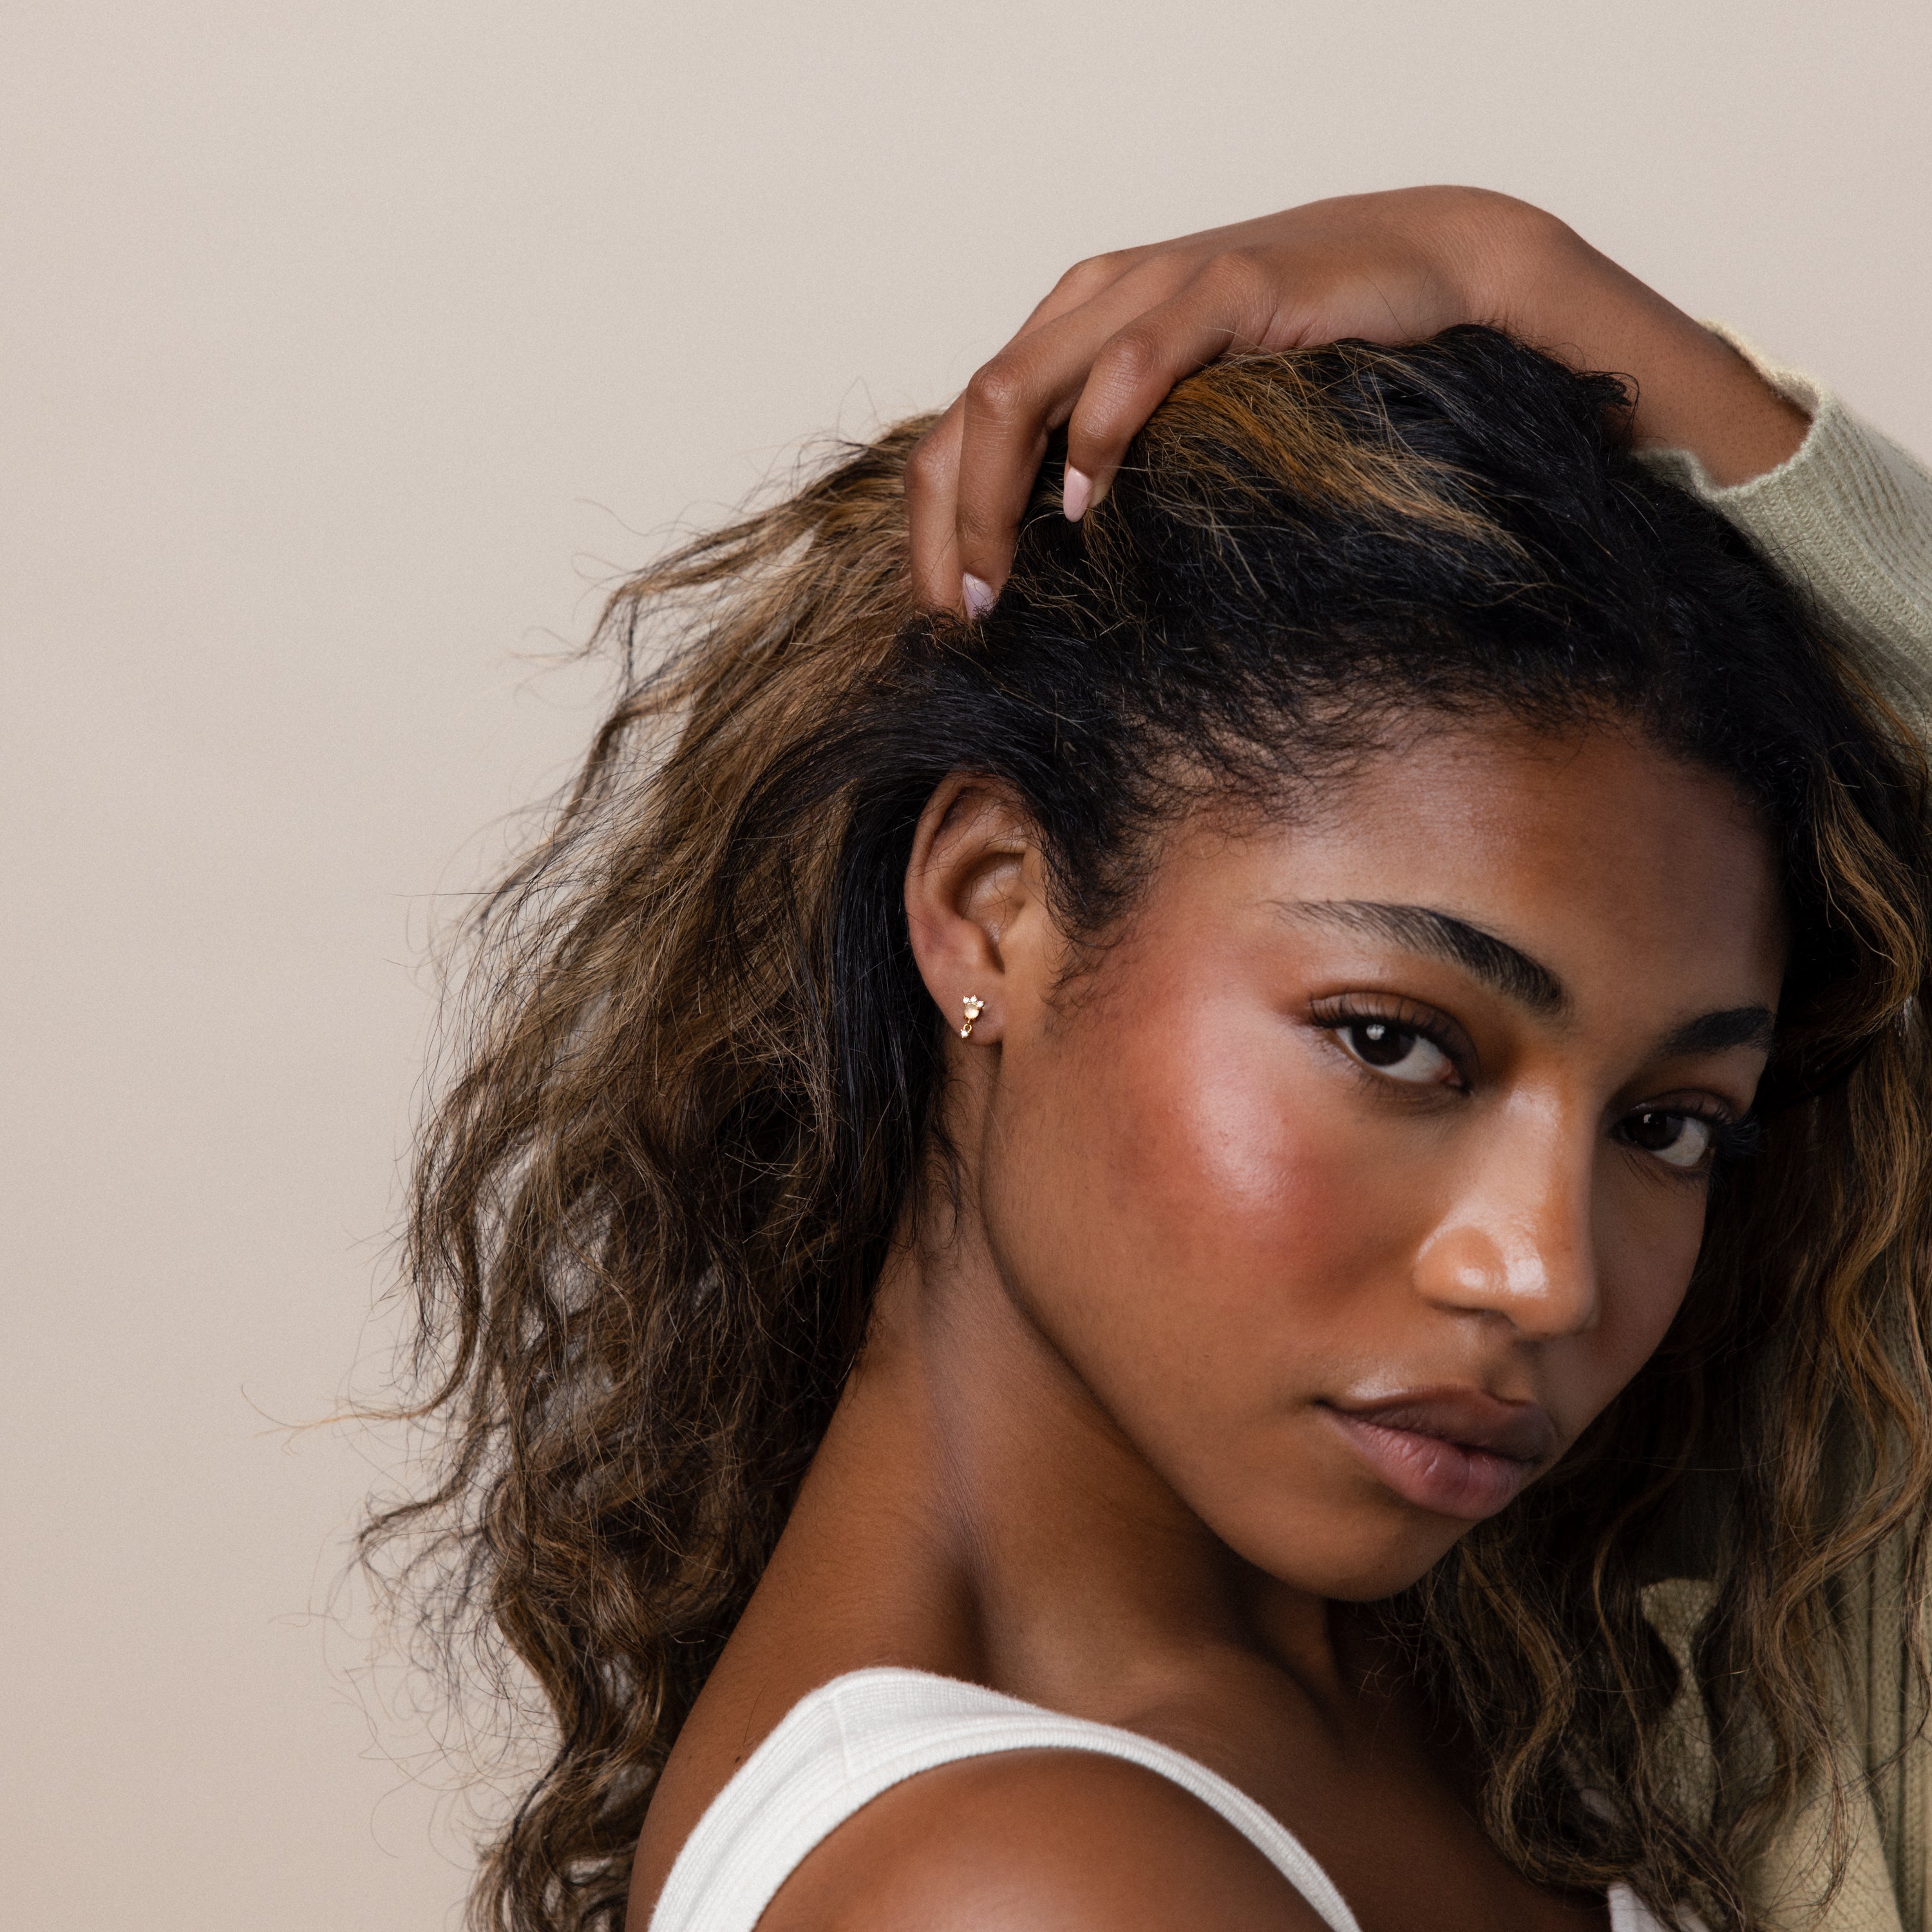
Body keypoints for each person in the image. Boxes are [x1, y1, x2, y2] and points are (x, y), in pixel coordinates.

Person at [370, 189, 1932, 1932]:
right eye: (1396, 1041)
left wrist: (1523, 276)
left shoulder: (1535, 1673)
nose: (1545, 1272)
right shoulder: (1025, 1888)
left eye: (1668, 1124)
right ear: (990, 910)